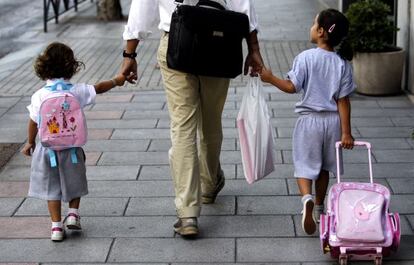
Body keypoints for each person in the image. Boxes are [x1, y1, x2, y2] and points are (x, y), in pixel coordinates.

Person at [120, 0, 263, 237]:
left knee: (182, 126)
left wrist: (130, 53)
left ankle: (187, 213)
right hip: (221, 39)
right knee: (211, 120)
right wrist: (254, 49)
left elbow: (141, 9)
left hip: (178, 40)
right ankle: (208, 184)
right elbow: (243, 6)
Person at [260, 9, 355, 235]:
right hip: (332, 123)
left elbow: (291, 87)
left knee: (304, 165)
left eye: (314, 24)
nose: (311, 27)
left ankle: (307, 199)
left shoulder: (305, 58)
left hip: (308, 123)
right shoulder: (342, 64)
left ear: (321, 32)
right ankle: (321, 207)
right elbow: (343, 101)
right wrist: (346, 133)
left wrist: (269, 77)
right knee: (323, 168)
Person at [21, 42, 126, 241]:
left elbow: (33, 122)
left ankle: (56, 228)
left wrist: (29, 143)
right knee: (74, 180)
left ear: (44, 68)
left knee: (52, 188)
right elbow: (98, 88)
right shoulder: (76, 90)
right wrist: (117, 80)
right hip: (72, 148)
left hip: (47, 150)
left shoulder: (39, 95)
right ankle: (73, 214)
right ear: (71, 67)